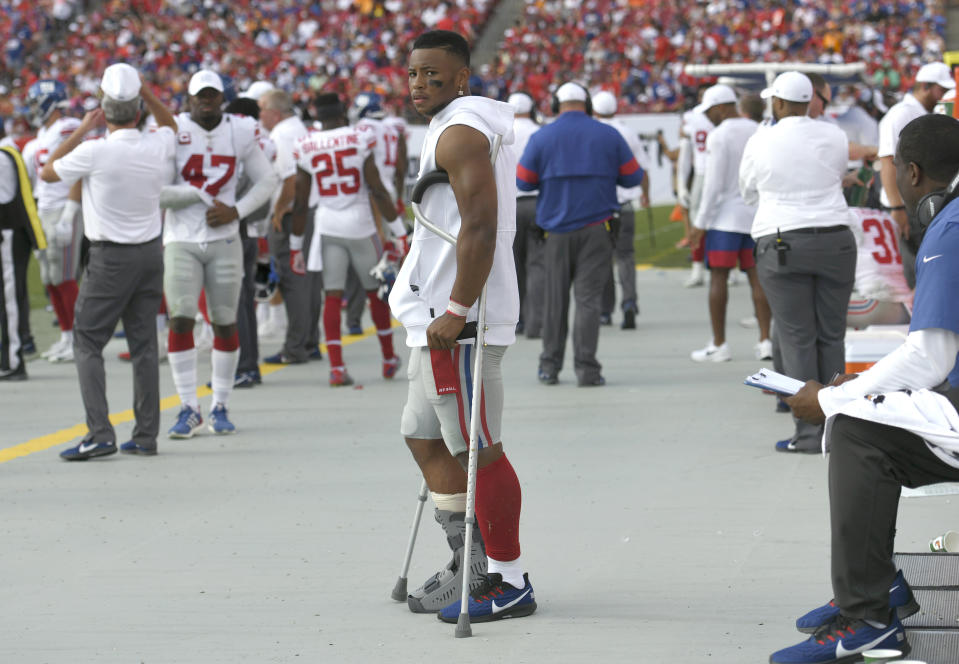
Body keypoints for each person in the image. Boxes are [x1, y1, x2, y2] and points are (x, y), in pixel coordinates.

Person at [770, 112, 959, 664]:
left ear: (913, 174)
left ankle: (870, 613)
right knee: (872, 407)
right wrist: (868, 384)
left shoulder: (949, 228)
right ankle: (875, 585)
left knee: (857, 429)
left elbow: (931, 355)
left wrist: (832, 398)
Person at [389, 29, 536, 623]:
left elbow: (480, 224)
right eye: (413, 73)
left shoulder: (461, 131)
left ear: (461, 77)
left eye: (433, 74)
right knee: (422, 435)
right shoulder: (450, 126)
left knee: (481, 447)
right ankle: (469, 562)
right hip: (433, 321)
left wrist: (456, 307)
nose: (420, 83)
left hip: (462, 323)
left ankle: (508, 579)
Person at [40, 63, 176, 459]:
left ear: (104, 106)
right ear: (137, 109)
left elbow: (48, 172)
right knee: (144, 344)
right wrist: (148, 92)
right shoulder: (155, 144)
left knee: (86, 340)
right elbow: (171, 127)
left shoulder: (95, 149)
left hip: (110, 257)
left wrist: (83, 127)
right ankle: (146, 435)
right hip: (151, 253)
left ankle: (100, 432)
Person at [739, 71, 855, 453]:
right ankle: (838, 432)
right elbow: (837, 175)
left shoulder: (762, 138)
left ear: (779, 102)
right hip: (836, 237)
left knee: (796, 338)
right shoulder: (833, 134)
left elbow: (748, 191)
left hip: (783, 238)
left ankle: (808, 434)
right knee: (832, 336)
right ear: (809, 100)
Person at [160, 70, 278, 438]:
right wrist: (197, 196)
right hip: (181, 236)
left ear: (221, 99)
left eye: (212, 96)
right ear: (189, 99)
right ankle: (187, 406)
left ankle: (220, 404)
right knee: (181, 317)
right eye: (200, 96)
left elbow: (267, 179)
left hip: (225, 237)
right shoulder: (172, 130)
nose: (206, 101)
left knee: (225, 319)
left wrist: (237, 211)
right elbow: (157, 191)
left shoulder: (239, 130)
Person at [518, 81, 644, 386]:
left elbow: (523, 181)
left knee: (555, 301)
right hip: (597, 229)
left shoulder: (542, 136)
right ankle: (587, 369)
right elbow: (632, 178)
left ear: (554, 105)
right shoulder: (609, 134)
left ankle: (549, 366)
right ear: (587, 105)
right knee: (588, 300)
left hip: (556, 232)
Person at [292, 92, 400, 386]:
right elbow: (378, 188)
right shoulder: (359, 137)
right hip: (361, 225)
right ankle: (389, 358)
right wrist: (399, 229)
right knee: (375, 293)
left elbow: (299, 202)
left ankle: (336, 367)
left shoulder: (306, 144)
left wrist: (294, 245)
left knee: (332, 295)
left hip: (328, 226)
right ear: (343, 113)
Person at [687, 85, 771, 362]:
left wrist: (700, 222)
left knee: (719, 278)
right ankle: (765, 340)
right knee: (756, 278)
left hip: (725, 218)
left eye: (710, 111)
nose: (709, 117)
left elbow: (713, 184)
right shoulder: (758, 129)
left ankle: (719, 344)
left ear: (721, 107)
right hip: (755, 215)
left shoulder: (719, 135)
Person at [21, 80, 85, 363]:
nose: (33, 109)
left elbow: (78, 170)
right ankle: (66, 335)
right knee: (49, 278)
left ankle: (79, 340)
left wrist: (70, 212)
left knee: (65, 276)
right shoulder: (41, 136)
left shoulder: (67, 127)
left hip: (63, 209)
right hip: (44, 210)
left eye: (37, 102)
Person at [258, 88, 323, 366]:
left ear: (274, 112)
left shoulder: (281, 135)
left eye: (262, 110)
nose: (259, 115)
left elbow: (291, 178)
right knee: (308, 279)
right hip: (311, 210)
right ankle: (309, 342)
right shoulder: (301, 129)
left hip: (294, 213)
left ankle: (295, 347)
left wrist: (280, 208)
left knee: (292, 280)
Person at [877, 62, 953, 288]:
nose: (943, 94)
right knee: (919, 273)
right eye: (940, 88)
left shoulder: (918, 112)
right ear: (925, 86)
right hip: (907, 205)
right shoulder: (902, 113)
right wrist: (897, 208)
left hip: (922, 203)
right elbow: (888, 160)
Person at [592, 90, 649, 330]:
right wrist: (646, 194)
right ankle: (629, 302)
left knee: (602, 258)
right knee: (625, 256)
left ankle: (605, 310)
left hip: (599, 205)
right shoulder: (627, 131)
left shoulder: (592, 132)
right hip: (624, 204)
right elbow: (642, 168)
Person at [0, 140, 46, 380]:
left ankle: (13, 360)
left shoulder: (2, 156)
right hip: (9, 233)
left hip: (8, 235)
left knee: (10, 301)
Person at [507, 91, 544, 338]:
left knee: (513, 266)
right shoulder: (540, 132)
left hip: (510, 204)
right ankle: (535, 321)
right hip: (539, 201)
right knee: (537, 265)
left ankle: (517, 319)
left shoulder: (501, 132)